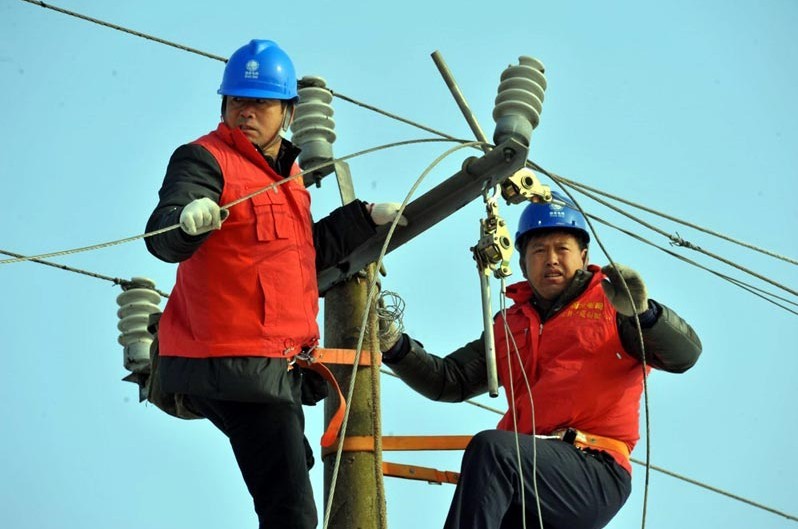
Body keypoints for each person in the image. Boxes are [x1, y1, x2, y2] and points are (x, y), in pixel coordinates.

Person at [145, 39, 406, 529]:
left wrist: (362, 219)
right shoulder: (204, 159)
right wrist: (187, 221)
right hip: (233, 363)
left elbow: (300, 256)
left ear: (288, 112)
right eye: (237, 101)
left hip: (272, 368)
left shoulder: (288, 177)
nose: (246, 112)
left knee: (291, 467)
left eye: (260, 103)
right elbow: (163, 234)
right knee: (291, 511)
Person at [379, 191, 702, 529]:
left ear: (583, 256)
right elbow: (450, 380)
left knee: (491, 450)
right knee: (494, 473)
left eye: (562, 249)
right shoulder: (510, 325)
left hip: (593, 468)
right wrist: (394, 346)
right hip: (527, 478)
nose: (551, 260)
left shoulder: (613, 305)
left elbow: (685, 355)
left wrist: (644, 314)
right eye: (539, 250)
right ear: (523, 263)